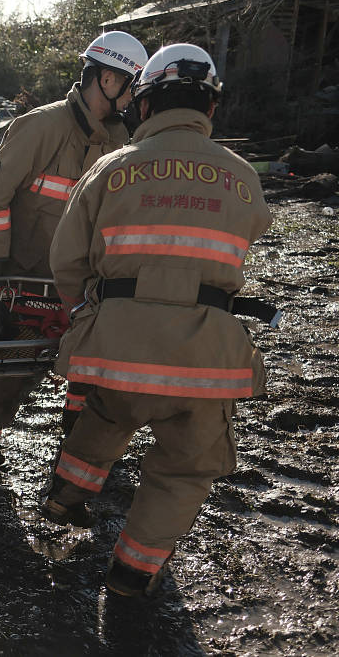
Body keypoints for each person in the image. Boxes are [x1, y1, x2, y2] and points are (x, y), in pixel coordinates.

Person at [40, 43, 271, 598]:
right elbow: (249, 238)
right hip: (205, 352)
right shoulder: (243, 177)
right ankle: (132, 573)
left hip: (116, 340)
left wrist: (87, 315)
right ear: (210, 109)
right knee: (187, 466)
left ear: (143, 105)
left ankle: (64, 498)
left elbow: (66, 259)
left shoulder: (110, 167)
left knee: (109, 410)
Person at [0, 31, 149, 465]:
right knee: (14, 366)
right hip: (30, 278)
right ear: (105, 78)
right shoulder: (41, 126)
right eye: (130, 83)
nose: (134, 96)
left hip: (89, 283)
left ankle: (76, 450)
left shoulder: (121, 142)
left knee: (92, 368)